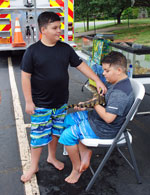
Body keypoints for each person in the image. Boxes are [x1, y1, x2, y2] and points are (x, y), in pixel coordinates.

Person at [21, 11, 106, 183]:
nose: (59, 31)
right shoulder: (33, 51)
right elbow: (25, 77)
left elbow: (81, 65)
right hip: (40, 104)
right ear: (43, 30)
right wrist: (29, 101)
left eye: (59, 27)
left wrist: (96, 79)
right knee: (38, 137)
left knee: (55, 133)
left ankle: (52, 157)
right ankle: (33, 166)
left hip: (60, 103)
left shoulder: (65, 49)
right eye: (55, 28)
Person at [59, 51, 135, 184]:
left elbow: (109, 118)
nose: (103, 73)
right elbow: (103, 104)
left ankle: (77, 169)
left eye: (106, 70)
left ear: (118, 70)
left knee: (66, 135)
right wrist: (87, 105)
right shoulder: (117, 82)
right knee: (65, 121)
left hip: (104, 128)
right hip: (96, 119)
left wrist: (93, 104)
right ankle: (84, 152)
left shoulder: (120, 93)